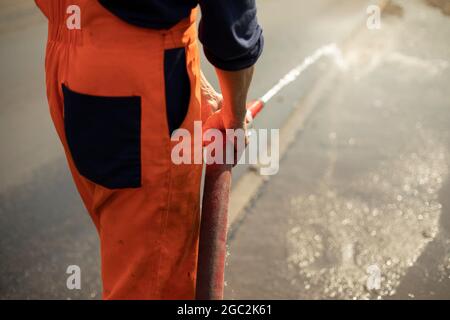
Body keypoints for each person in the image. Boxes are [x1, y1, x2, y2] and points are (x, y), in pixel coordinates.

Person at [35, 0, 263, 299]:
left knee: (132, 259)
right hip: (138, 82)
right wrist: (234, 116)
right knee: (154, 283)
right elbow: (232, 25)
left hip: (68, 54)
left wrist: (199, 86)